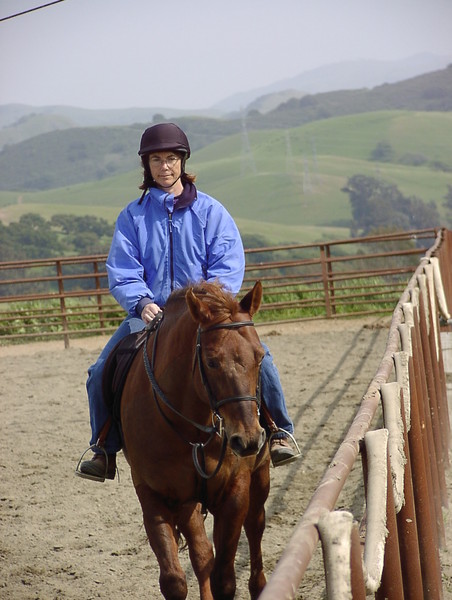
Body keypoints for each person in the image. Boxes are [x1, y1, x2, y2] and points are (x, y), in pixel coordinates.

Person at [77, 122, 299, 482]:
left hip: (206, 316)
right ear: (147, 166)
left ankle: (279, 432)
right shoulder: (132, 217)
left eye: (170, 158)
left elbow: (227, 265)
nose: (164, 166)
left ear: (182, 161)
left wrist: (208, 307)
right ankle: (103, 447)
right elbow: (123, 269)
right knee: (100, 371)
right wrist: (141, 302)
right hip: (149, 315)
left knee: (261, 359)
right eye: (156, 160)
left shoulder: (211, 212)